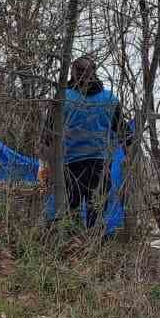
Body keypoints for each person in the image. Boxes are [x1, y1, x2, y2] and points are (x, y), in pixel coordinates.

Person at [60, 56, 120, 228]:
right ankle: (90, 250)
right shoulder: (108, 99)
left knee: (73, 214)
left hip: (76, 166)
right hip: (94, 166)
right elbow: (126, 136)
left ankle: (77, 248)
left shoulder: (64, 98)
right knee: (93, 214)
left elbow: (48, 138)